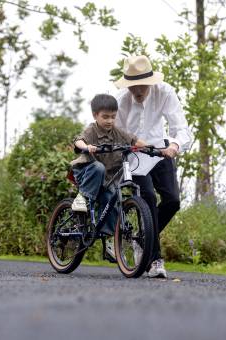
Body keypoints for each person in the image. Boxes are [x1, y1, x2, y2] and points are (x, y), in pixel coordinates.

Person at [114, 55, 192, 278]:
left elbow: (181, 128)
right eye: (132, 85)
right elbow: (115, 132)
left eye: (141, 84)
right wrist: (131, 141)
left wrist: (176, 146)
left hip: (159, 150)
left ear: (150, 81)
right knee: (147, 196)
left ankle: (142, 240)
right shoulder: (120, 100)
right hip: (135, 155)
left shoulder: (165, 92)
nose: (137, 89)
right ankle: (155, 260)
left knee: (173, 201)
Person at [70, 94, 147, 262]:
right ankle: (81, 198)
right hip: (87, 173)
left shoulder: (117, 132)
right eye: (105, 117)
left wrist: (151, 148)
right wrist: (87, 147)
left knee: (113, 198)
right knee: (99, 167)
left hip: (106, 180)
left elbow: (133, 140)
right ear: (95, 115)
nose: (109, 121)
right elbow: (78, 141)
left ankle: (109, 240)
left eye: (113, 117)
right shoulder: (92, 130)